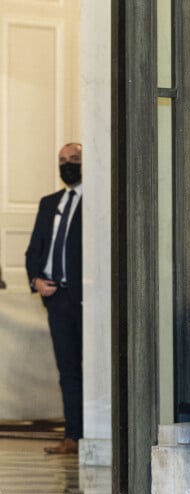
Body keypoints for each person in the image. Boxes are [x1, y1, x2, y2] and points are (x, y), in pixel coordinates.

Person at [25, 142, 83, 455]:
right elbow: (34, 250)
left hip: (86, 300)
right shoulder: (50, 203)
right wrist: (35, 279)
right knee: (68, 369)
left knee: (95, 369)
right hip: (56, 300)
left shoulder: (96, 201)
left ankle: (97, 435)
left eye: (74, 159)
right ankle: (72, 436)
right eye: (62, 160)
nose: (68, 164)